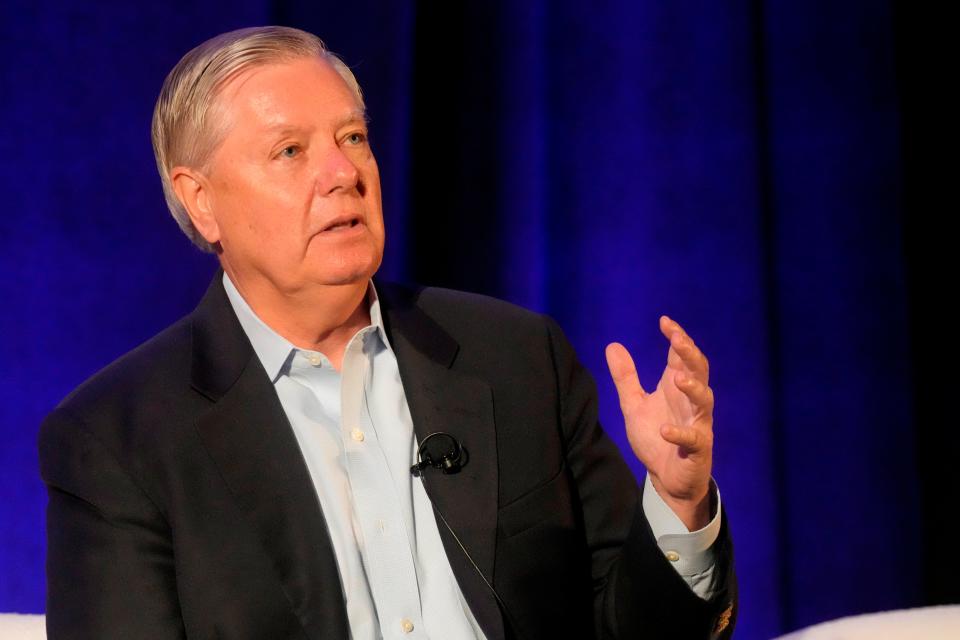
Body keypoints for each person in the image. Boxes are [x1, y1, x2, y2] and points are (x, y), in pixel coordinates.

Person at [39, 26, 736, 640]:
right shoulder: (119, 441)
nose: (343, 174)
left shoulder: (516, 358)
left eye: (353, 138)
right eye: (290, 151)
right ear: (201, 200)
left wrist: (676, 499)